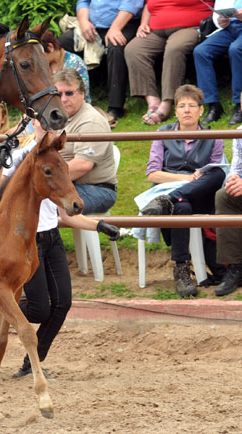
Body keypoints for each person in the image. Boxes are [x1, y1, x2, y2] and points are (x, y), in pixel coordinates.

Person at [0, 120, 120, 379]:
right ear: (34, 122)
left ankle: (27, 362)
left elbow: (65, 214)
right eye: (45, 122)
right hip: (24, 241)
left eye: (55, 123)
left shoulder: (54, 159)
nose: (51, 127)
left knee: (62, 304)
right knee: (38, 310)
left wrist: (99, 225)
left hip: (52, 238)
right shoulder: (21, 154)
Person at [140, 85, 226, 297]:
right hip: (175, 191)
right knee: (182, 206)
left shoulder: (214, 137)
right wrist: (186, 179)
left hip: (201, 195)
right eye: (181, 106)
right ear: (176, 110)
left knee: (218, 173)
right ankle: (181, 268)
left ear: (201, 110)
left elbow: (215, 176)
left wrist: (196, 181)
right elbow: (153, 174)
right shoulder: (162, 133)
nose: (187, 110)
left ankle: (167, 201)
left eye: (192, 105)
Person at [124, 0, 213, 125]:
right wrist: (143, 23)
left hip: (190, 26)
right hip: (155, 30)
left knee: (174, 49)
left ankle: (167, 103)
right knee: (134, 50)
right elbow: (148, 6)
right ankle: (153, 101)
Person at [58, 0, 144, 119]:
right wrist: (83, 22)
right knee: (63, 43)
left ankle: (116, 107)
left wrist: (115, 28)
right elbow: (83, 2)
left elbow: (131, 4)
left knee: (116, 45)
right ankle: (67, 100)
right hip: (92, 26)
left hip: (125, 24)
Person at [53, 68, 117, 214]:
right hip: (70, 184)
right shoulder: (57, 117)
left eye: (69, 93)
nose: (63, 99)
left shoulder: (91, 121)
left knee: (41, 208)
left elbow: (83, 165)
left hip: (97, 189)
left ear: (83, 93)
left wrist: (44, 181)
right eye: (58, 94)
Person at [193, 0, 242, 125]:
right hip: (230, 29)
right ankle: (213, 106)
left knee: (235, 49)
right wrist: (220, 21)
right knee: (201, 52)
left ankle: (239, 105)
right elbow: (217, 14)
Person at [214, 126, 242, 296]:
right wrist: (234, 181)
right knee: (224, 196)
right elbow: (236, 168)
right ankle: (235, 268)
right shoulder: (239, 132)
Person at [42, 31, 91, 103]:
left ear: (50, 47)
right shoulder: (42, 66)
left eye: (40, 53)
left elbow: (82, 92)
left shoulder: (75, 63)